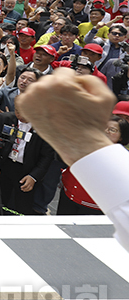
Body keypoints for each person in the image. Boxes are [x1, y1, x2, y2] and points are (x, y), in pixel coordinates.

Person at [15, 68, 129, 252]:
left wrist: (86, 140)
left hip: (94, 207)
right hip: (69, 197)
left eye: (113, 130)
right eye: (106, 128)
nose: (108, 132)